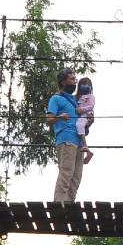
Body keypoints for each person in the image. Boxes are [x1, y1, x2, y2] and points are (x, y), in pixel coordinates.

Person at [45, 67, 84, 203]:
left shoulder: (75, 102)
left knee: (76, 177)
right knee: (66, 173)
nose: (75, 82)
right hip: (66, 140)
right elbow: (49, 120)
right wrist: (60, 117)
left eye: (75, 79)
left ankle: (69, 206)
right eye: (72, 79)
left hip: (79, 142)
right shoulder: (56, 99)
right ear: (63, 82)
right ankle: (58, 205)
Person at [75, 76, 96, 164]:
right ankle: (87, 150)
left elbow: (91, 106)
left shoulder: (91, 96)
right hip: (82, 115)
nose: (85, 86)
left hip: (86, 114)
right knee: (80, 126)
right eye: (83, 84)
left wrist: (81, 109)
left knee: (79, 125)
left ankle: (86, 147)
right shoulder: (78, 98)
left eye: (87, 84)